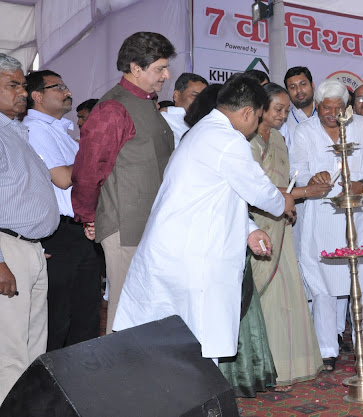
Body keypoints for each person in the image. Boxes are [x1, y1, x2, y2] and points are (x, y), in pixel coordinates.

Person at [112, 74, 295, 365]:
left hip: (181, 249)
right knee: (193, 340)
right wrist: (283, 201)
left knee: (179, 340)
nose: (256, 125)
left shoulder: (203, 131)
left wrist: (249, 229)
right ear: (248, 112)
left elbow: (223, 193)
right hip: (192, 256)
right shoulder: (227, 140)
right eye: (258, 117)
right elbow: (259, 191)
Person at [71, 31, 176, 334]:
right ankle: (115, 380)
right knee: (124, 310)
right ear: (136, 68)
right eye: (160, 68)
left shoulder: (146, 103)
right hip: (125, 226)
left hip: (150, 223)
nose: (166, 75)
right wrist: (89, 217)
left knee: (147, 309)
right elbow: (89, 171)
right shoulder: (112, 109)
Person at [290, 79, 363, 372]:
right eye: (326, 108)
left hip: (359, 214)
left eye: (338, 107)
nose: (332, 113)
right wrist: (312, 177)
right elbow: (297, 169)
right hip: (321, 216)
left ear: (347, 108)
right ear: (317, 107)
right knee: (323, 286)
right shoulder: (304, 131)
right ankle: (327, 348)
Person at [249, 82, 326, 391]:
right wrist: (303, 194)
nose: (282, 115)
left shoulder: (280, 138)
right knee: (265, 298)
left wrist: (291, 201)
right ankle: (264, 370)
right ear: (260, 108)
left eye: (286, 110)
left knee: (288, 298)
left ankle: (291, 366)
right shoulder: (247, 141)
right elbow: (255, 191)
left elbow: (286, 181)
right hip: (256, 227)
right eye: (277, 109)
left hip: (281, 224)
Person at [24, 70, 101, 351]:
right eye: (58, 87)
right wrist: (93, 152)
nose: (67, 91)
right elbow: (63, 178)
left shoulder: (62, 131)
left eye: (67, 86)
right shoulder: (35, 129)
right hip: (57, 233)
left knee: (85, 316)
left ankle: (81, 386)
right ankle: (51, 390)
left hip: (80, 230)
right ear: (37, 96)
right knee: (58, 319)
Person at [0, 54, 59, 403]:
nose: (23, 92)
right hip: (9, 251)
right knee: (10, 349)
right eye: (12, 85)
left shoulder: (16, 132)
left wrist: (32, 244)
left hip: (31, 250)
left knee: (34, 346)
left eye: (23, 85)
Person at [162, 72, 208, 147]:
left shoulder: (207, 123)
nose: (200, 101)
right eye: (195, 95)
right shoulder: (164, 120)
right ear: (176, 96)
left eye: (204, 98)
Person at [282, 66, 315, 148]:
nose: (299, 90)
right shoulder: (283, 122)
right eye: (292, 87)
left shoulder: (327, 115)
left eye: (303, 84)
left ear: (313, 86)